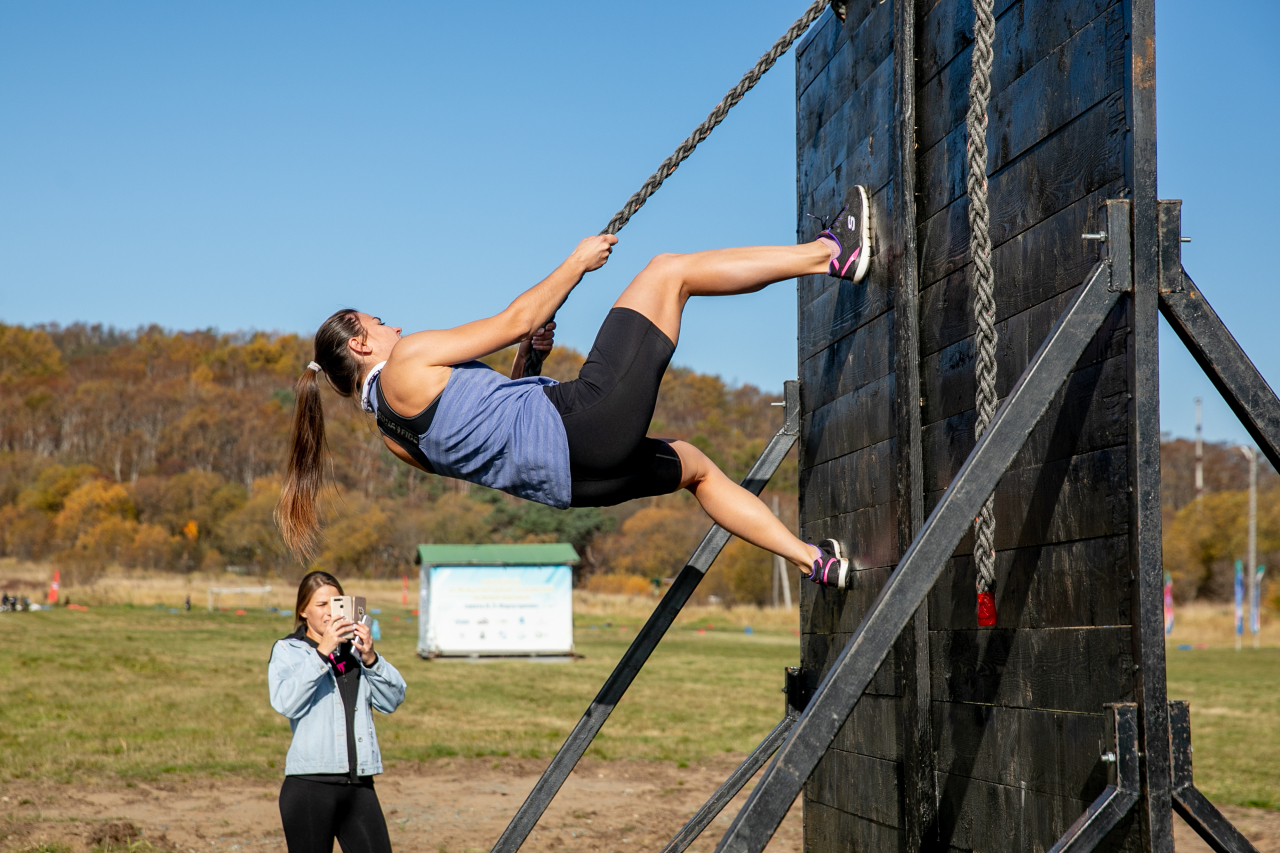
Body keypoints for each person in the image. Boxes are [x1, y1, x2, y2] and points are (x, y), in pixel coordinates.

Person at [277, 192, 872, 590]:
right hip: (580, 424)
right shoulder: (407, 361)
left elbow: (496, 437)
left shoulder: (391, 435)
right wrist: (576, 263)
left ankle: (815, 562)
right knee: (669, 271)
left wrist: (527, 359)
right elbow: (518, 314)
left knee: (696, 469)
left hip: (573, 482)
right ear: (359, 345)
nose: (395, 327)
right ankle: (830, 255)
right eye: (378, 322)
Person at [268, 571, 406, 853]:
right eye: (321, 605)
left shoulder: (355, 653)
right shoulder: (288, 650)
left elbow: (393, 699)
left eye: (336, 603)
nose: (330, 612)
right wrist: (322, 653)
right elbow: (286, 703)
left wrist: (371, 658)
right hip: (309, 786)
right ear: (303, 611)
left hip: (359, 785)